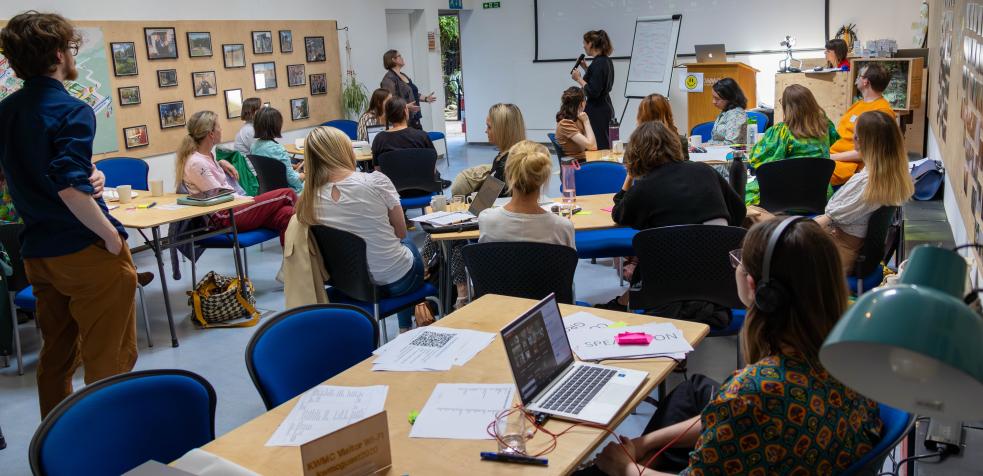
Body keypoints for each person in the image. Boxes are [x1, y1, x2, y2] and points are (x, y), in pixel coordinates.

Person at [592, 218, 882, 476]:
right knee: (693, 392)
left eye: (739, 261)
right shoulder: (855, 350)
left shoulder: (752, 393)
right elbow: (728, 414)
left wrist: (627, 468)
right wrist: (646, 442)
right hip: (806, 451)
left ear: (757, 288)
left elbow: (740, 409)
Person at [0, 11, 138, 417]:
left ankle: (59, 447)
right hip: (83, 250)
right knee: (109, 359)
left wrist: (90, 174)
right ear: (59, 54)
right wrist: (112, 239)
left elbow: (19, 175)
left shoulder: (6, 112)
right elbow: (65, 185)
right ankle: (107, 446)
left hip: (38, 254)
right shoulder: (72, 109)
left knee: (56, 358)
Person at [597, 121, 745, 311]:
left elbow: (619, 215)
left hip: (664, 283)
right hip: (719, 276)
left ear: (637, 154)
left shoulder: (645, 187)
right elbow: (739, 210)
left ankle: (622, 303)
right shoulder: (705, 171)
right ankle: (623, 301)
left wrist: (630, 177)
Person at [296, 126, 424, 332]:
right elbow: (401, 232)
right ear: (345, 150)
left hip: (348, 284)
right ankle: (406, 328)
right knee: (407, 244)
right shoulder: (376, 181)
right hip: (395, 280)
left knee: (397, 249)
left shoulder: (308, 198)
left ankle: (405, 327)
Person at [177, 111, 296, 244]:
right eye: (218, 127)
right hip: (223, 215)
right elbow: (221, 196)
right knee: (287, 194)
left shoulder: (208, 157)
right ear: (211, 134)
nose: (221, 130)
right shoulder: (196, 163)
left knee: (287, 214)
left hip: (233, 208)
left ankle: (292, 262)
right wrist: (249, 200)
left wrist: (221, 164)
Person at [816, 111, 914, 273]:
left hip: (839, 252)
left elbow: (827, 220)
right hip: (853, 248)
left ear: (861, 142)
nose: (853, 136)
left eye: (856, 134)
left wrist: (787, 228)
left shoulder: (865, 183)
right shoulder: (891, 175)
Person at [745, 84, 839, 205]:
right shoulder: (826, 127)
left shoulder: (782, 132)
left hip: (787, 197)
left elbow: (757, 161)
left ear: (787, 107)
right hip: (820, 196)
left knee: (739, 195)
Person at [478, 140, 575, 246]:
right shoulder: (562, 227)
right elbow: (568, 262)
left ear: (508, 173)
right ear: (545, 177)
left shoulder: (486, 220)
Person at [829, 63, 895, 185]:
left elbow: (867, 152)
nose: (857, 79)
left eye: (859, 76)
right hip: (834, 157)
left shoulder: (882, 112)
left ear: (866, 82)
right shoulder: (858, 104)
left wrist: (829, 157)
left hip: (847, 167)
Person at [449, 103, 526, 197]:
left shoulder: (505, 165)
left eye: (489, 127)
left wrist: (459, 200)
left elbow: (484, 201)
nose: (486, 131)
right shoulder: (511, 156)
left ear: (502, 130)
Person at [571, 30, 615, 150]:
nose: (583, 46)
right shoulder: (605, 61)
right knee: (604, 141)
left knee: (598, 145)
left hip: (597, 111)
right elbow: (598, 82)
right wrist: (587, 69)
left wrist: (579, 79)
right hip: (605, 106)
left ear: (591, 44)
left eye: (585, 43)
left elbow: (593, 91)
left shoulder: (598, 63)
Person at [250, 107, 304, 193]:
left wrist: (294, 168)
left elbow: (273, 168)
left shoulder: (254, 146)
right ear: (275, 125)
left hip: (268, 191)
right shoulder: (277, 149)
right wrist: (303, 175)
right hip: (288, 193)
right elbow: (293, 180)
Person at [380, 49, 435, 129]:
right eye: (399, 56)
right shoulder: (388, 79)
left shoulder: (403, 75)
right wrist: (405, 106)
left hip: (414, 117)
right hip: (402, 120)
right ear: (393, 60)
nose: (402, 58)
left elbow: (412, 93)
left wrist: (426, 98)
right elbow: (390, 101)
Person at [636, 93, 688, 160]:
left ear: (641, 117)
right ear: (667, 115)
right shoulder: (680, 141)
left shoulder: (635, 143)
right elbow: (685, 167)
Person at [555, 86, 597, 162]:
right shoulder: (565, 123)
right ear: (581, 103)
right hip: (576, 164)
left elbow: (592, 145)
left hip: (584, 159)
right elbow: (592, 146)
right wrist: (586, 122)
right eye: (585, 99)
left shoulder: (578, 118)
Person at [704, 77, 747, 145]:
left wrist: (707, 145)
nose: (713, 102)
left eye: (717, 99)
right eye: (713, 97)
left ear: (730, 98)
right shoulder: (726, 111)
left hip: (729, 153)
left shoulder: (737, 115)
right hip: (719, 152)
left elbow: (730, 144)